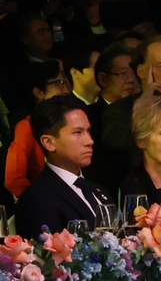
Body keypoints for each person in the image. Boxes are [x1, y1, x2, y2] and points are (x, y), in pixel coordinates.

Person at [93, 36, 161, 194]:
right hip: (137, 193)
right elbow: (115, 143)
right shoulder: (120, 109)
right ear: (142, 71)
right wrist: (143, 104)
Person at [15, 97, 111, 238]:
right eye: (77, 132)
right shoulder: (37, 199)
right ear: (48, 142)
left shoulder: (97, 190)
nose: (90, 141)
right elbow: (46, 257)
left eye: (88, 131)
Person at [5, 63, 73, 197]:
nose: (66, 91)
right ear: (39, 92)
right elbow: (14, 179)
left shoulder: (73, 121)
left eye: (65, 83)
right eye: (58, 83)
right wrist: (40, 202)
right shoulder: (27, 127)